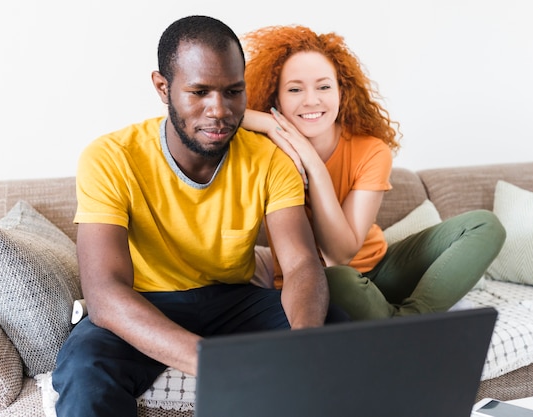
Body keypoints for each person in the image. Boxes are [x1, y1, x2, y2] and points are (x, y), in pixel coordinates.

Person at [52, 16, 347, 417]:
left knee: (337, 331)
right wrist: (211, 361)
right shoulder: (110, 157)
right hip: (145, 302)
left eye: (233, 91)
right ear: (162, 87)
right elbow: (106, 297)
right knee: (85, 370)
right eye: (199, 92)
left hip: (232, 301)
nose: (219, 110)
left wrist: (306, 341)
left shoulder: (269, 160)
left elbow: (300, 264)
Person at [241, 25, 507, 319]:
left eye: (324, 86)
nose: (311, 100)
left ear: (342, 92)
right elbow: (210, 113)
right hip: (322, 286)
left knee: (484, 225)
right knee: (336, 278)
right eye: (294, 89)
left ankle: (409, 319)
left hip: (382, 269)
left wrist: (314, 166)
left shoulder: (370, 150)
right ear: (275, 100)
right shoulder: (263, 150)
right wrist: (267, 124)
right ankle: (403, 325)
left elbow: (343, 251)